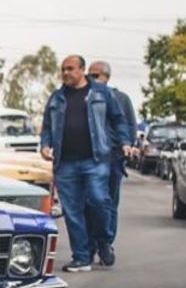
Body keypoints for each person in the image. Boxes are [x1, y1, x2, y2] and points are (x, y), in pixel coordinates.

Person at [39, 54, 131, 272]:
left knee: (100, 201)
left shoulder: (101, 93)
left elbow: (118, 120)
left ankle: (103, 240)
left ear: (82, 70)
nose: (66, 73)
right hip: (65, 163)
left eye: (70, 68)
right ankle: (81, 257)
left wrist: (125, 142)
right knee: (72, 211)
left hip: (96, 159)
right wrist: (45, 145)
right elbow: (46, 127)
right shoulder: (56, 98)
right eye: (63, 69)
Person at [86, 60, 137, 246]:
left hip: (114, 158)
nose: (89, 79)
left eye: (93, 75)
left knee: (109, 202)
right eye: (88, 75)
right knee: (91, 202)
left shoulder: (121, 98)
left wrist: (126, 148)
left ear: (105, 76)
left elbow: (130, 126)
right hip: (90, 158)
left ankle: (106, 242)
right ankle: (91, 244)